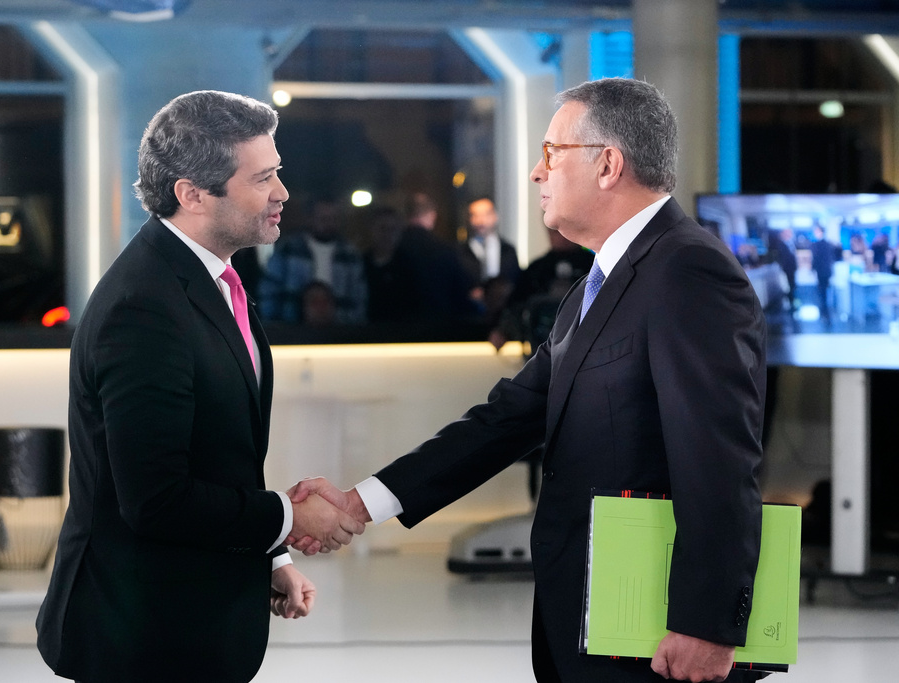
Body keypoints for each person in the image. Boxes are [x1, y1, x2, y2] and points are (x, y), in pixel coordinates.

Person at [290, 78, 767, 683]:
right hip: (589, 619)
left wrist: (706, 622)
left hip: (657, 634)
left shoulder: (687, 270)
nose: (537, 174)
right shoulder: (599, 284)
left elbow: (718, 458)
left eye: (551, 154)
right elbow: (507, 419)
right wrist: (363, 502)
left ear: (609, 164)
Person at [35, 90, 364, 683]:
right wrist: (288, 518)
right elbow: (157, 499)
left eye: (278, 173)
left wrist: (270, 554)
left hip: (188, 621)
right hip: (141, 634)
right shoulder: (144, 307)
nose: (282, 194)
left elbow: (215, 458)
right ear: (192, 194)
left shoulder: (209, 279)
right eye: (263, 178)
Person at [258, 199, 367, 324]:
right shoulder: (288, 249)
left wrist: (354, 328)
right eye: (323, 218)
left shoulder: (350, 255)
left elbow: (359, 296)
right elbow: (269, 289)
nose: (328, 223)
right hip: (292, 326)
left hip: (340, 329)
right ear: (310, 218)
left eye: (333, 218)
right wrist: (273, 325)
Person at [488, 226, 594, 350]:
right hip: (541, 346)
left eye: (564, 229)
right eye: (555, 231)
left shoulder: (595, 267)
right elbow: (515, 306)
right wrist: (503, 330)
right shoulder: (535, 270)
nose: (561, 236)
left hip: (588, 344)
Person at [391, 192, 479, 320]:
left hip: (396, 327)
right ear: (432, 215)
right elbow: (462, 292)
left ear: (407, 215)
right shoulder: (444, 251)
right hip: (438, 325)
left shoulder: (393, 248)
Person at [457, 196, 522, 301]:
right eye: (475, 215)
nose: (480, 221)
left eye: (486, 214)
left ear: (495, 216)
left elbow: (516, 282)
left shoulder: (508, 250)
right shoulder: (460, 252)